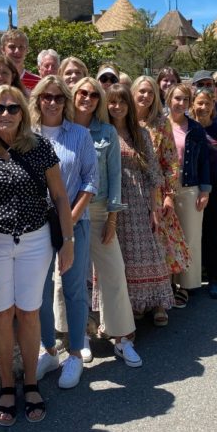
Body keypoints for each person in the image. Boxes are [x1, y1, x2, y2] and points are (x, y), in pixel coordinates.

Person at [0, 84, 74, 426]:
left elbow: (59, 196)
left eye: (13, 108)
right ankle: (7, 386)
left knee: (29, 313)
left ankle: (30, 382)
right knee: (0, 315)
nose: (6, 114)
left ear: (23, 113)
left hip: (35, 241)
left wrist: (68, 240)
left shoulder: (39, 147)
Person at [30, 76, 98, 390]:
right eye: (47, 97)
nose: (53, 103)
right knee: (41, 292)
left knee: (73, 288)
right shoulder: (26, 135)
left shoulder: (81, 135)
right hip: (36, 225)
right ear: (38, 99)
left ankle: (73, 353)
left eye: (59, 97)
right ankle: (48, 349)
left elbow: (90, 182)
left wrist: (68, 221)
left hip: (74, 221)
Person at [72, 77, 142, 367]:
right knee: (72, 281)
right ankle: (78, 338)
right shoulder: (62, 130)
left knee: (114, 273)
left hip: (100, 210)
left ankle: (123, 338)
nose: (87, 98)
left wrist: (113, 217)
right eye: (82, 93)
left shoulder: (107, 132)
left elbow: (114, 178)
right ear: (73, 95)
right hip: (70, 213)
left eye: (93, 94)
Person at [106, 84, 174, 321]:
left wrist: (154, 209)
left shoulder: (140, 134)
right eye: (112, 102)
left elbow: (154, 175)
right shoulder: (103, 132)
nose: (117, 107)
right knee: (123, 258)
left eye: (122, 102)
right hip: (112, 204)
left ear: (129, 105)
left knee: (149, 254)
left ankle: (157, 304)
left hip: (139, 202)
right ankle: (133, 305)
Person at [132, 75, 188, 320]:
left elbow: (170, 163)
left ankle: (159, 303)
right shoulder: (122, 121)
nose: (145, 96)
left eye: (150, 92)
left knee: (160, 250)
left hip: (156, 195)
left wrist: (169, 196)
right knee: (134, 252)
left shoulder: (160, 123)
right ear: (132, 92)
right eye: (141, 91)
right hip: (131, 194)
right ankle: (136, 302)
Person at [166, 83, 211, 301]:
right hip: (164, 187)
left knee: (190, 237)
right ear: (168, 100)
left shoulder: (196, 128)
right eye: (177, 98)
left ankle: (185, 286)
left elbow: (204, 161)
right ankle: (167, 284)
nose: (180, 103)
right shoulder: (160, 126)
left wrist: (205, 190)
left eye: (185, 99)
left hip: (190, 185)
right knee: (166, 238)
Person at [189, 87, 217, 298]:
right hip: (190, 186)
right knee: (190, 233)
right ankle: (190, 279)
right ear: (193, 105)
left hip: (215, 187)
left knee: (213, 233)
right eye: (199, 103)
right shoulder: (187, 128)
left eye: (208, 103)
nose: (203, 107)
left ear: (213, 107)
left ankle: (215, 277)